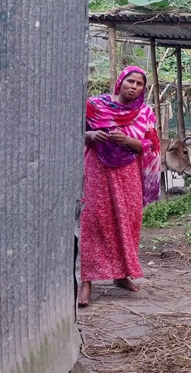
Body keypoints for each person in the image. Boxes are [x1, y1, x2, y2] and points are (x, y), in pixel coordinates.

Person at [77, 66, 161, 307]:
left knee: (128, 221)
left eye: (139, 84)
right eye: (130, 81)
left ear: (143, 89)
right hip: (98, 170)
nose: (133, 87)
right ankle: (87, 283)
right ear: (120, 81)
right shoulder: (94, 105)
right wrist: (90, 136)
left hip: (128, 172)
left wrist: (127, 140)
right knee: (93, 222)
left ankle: (121, 275)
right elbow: (72, 132)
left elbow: (151, 146)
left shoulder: (144, 112)